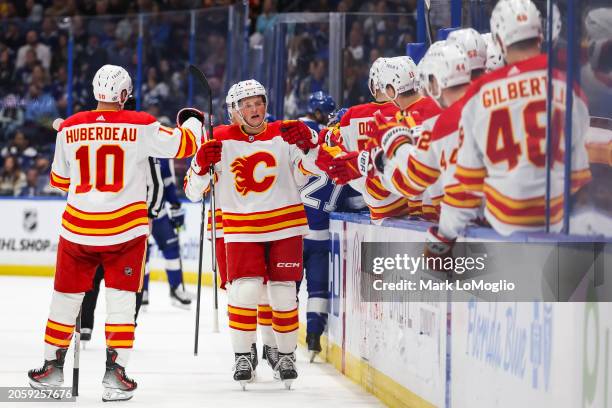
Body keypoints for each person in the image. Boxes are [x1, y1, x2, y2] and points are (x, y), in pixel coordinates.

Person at [27, 64, 202, 402]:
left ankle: (51, 367)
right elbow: (186, 145)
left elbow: (59, 182)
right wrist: (192, 119)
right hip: (125, 233)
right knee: (121, 302)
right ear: (124, 95)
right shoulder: (142, 125)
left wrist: (71, 141)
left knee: (64, 300)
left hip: (78, 230)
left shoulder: (70, 126)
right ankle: (115, 375)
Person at [184, 79, 319, 389]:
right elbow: (193, 192)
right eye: (247, 105)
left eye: (258, 102)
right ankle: (243, 355)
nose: (255, 109)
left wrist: (311, 143)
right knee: (245, 291)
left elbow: (313, 170)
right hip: (241, 229)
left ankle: (285, 355)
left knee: (284, 293)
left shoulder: (285, 134)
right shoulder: (218, 139)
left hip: (285, 225)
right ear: (234, 111)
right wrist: (202, 164)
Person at [430, 0, 591, 251]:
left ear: (500, 41)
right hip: (560, 224)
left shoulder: (478, 95)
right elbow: (579, 176)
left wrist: (442, 238)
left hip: (501, 226)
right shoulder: (570, 87)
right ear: (540, 35)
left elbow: (466, 189)